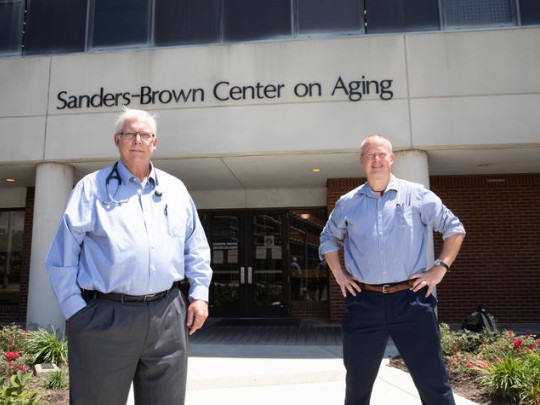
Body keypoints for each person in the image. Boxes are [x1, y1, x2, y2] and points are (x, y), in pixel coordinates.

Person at [45, 108, 212, 405]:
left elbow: (196, 246)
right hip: (105, 317)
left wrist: (199, 294)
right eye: (130, 134)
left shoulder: (175, 189)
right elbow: (61, 257)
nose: (137, 140)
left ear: (155, 143)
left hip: (167, 316)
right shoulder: (91, 188)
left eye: (144, 135)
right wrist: (77, 313)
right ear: (117, 140)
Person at [319, 134, 465, 405]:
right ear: (362, 161)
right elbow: (328, 238)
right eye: (370, 155)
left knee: (434, 382)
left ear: (391, 158)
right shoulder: (347, 203)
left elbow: (454, 228)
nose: (376, 160)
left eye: (381, 154)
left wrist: (440, 268)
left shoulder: (418, 195)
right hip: (365, 302)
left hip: (412, 300)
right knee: (357, 386)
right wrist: (339, 275)